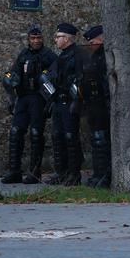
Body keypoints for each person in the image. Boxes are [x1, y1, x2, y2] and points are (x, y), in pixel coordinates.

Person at [1, 25, 56, 184]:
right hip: (23, 97)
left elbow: (56, 75)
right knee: (15, 131)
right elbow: (13, 74)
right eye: (33, 38)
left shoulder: (48, 55)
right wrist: (11, 96)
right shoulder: (23, 54)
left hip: (38, 98)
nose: (36, 41)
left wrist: (50, 100)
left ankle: (34, 172)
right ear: (28, 39)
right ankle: (14, 171)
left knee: (36, 133)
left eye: (38, 38)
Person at [45, 22, 85, 185]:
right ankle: (61, 172)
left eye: (58, 37)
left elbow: (81, 80)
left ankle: (74, 174)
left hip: (70, 102)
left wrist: (77, 101)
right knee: (57, 137)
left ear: (67, 38)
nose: (56, 39)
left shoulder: (77, 55)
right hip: (58, 102)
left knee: (70, 137)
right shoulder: (61, 56)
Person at [81, 25, 111, 187]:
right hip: (93, 103)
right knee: (96, 140)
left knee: (103, 140)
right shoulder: (92, 57)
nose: (90, 45)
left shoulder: (105, 57)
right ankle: (98, 173)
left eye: (92, 42)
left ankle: (106, 175)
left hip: (103, 103)